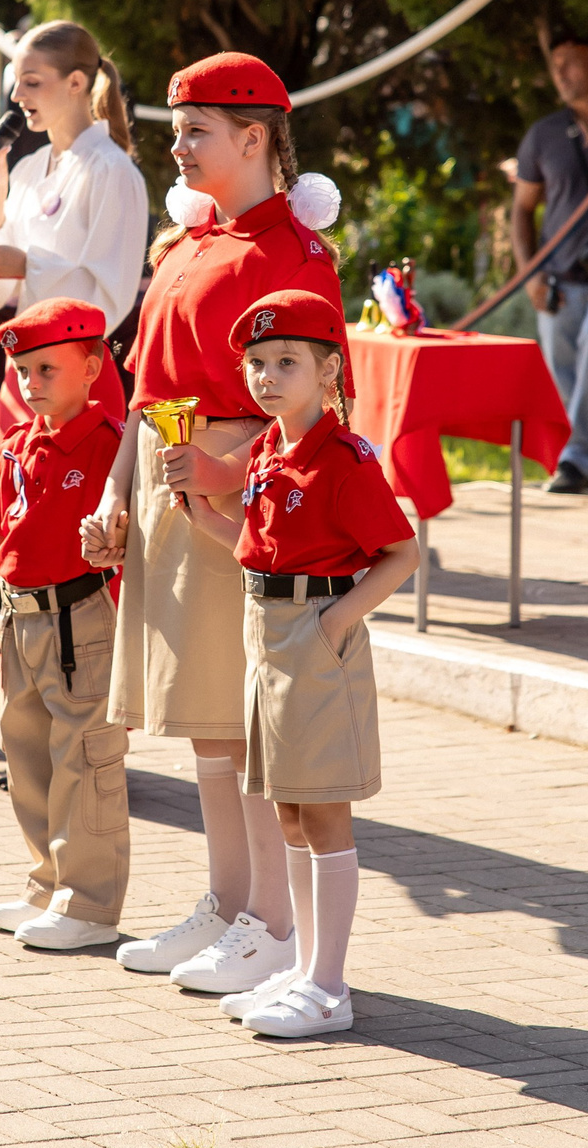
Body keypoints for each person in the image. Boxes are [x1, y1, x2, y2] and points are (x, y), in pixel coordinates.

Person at [78, 52, 348, 989]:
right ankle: (230, 901)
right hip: (173, 481)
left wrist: (221, 473)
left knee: (246, 719)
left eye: (197, 131)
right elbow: (150, 392)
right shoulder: (186, 245)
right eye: (177, 130)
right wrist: (118, 491)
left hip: (242, 496)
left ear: (255, 137)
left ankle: (274, 921)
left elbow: (312, 409)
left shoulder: (293, 255)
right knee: (205, 723)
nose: (179, 148)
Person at [179, 289, 417, 1037]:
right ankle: (302, 965)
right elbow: (256, 544)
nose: (267, 375)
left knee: (324, 810)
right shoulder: (268, 450)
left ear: (330, 370)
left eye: (287, 361)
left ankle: (328, 984)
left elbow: (401, 552)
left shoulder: (342, 457)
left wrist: (338, 620)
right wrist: (202, 515)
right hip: (266, 631)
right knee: (288, 808)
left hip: (314, 635)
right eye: (256, 362)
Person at [0, 298, 130, 952]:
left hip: (77, 624)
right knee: (29, 759)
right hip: (19, 622)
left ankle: (90, 903)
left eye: (47, 369)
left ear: (92, 366)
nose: (31, 384)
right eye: (23, 372)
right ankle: (49, 882)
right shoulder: (18, 443)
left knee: (85, 761)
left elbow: (126, 536)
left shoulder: (107, 445)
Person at [0, 20, 148, 422]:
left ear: (75, 82)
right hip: (23, 371)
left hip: (79, 378)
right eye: (16, 82)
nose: (15, 95)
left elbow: (108, 292)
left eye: (31, 82)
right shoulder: (28, 168)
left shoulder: (112, 170)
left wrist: (27, 265)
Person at [509, 30, 588, 495]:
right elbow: (521, 209)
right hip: (558, 281)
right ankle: (581, 469)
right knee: (562, 373)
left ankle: (580, 461)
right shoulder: (543, 135)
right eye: (554, 63)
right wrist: (529, 275)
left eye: (572, 62)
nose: (560, 72)